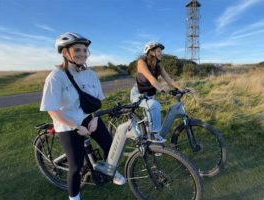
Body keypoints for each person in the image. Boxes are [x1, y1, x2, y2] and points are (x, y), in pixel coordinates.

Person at [40, 32, 125, 200]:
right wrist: (75, 126)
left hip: (89, 118)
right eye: (77, 50)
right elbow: (52, 110)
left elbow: (94, 101)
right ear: (65, 53)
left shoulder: (90, 74)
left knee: (110, 146)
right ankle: (74, 197)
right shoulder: (56, 77)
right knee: (76, 166)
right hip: (67, 123)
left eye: (85, 50)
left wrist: (93, 118)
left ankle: (109, 171)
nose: (82, 54)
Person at [130, 41, 184, 142]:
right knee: (155, 106)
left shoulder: (158, 65)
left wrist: (181, 88)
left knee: (151, 120)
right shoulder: (141, 62)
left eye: (161, 51)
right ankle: (154, 137)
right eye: (159, 51)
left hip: (150, 95)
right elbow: (151, 79)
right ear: (151, 52)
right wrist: (160, 87)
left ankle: (153, 144)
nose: (161, 53)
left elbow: (169, 79)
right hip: (138, 93)